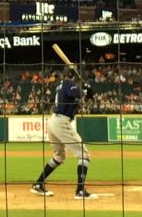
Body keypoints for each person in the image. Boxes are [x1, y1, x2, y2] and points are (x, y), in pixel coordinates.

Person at [31, 68, 96, 199]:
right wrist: (85, 90)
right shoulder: (68, 83)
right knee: (84, 155)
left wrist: (87, 93)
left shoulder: (60, 85)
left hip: (53, 121)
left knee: (59, 156)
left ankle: (38, 184)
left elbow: (76, 100)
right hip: (61, 122)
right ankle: (80, 191)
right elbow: (76, 93)